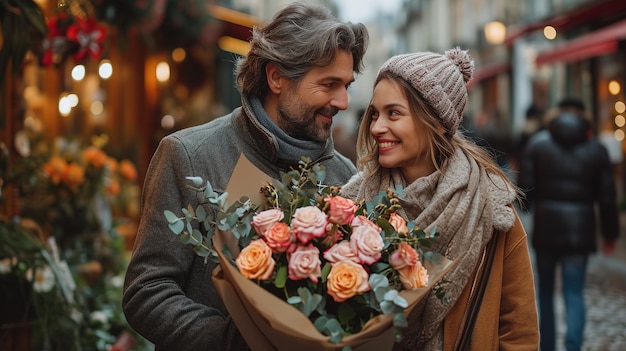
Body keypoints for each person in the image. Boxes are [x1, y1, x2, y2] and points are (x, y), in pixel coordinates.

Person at [122, 2, 368, 350]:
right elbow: (146, 292)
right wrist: (234, 341)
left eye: (347, 85)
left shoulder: (345, 178)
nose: (342, 101)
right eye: (329, 84)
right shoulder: (189, 155)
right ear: (276, 77)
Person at [340, 48, 539, 350]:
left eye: (393, 113)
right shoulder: (351, 203)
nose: (377, 127)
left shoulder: (491, 209)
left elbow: (518, 331)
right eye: (375, 114)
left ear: (435, 120)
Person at [518, 111, 619, 351]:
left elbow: (525, 189)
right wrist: (610, 233)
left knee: (545, 293)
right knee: (574, 292)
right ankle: (573, 346)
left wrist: (525, 212)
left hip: (546, 229)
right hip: (580, 230)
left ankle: (548, 346)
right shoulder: (597, 150)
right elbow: (607, 197)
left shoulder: (538, 144)